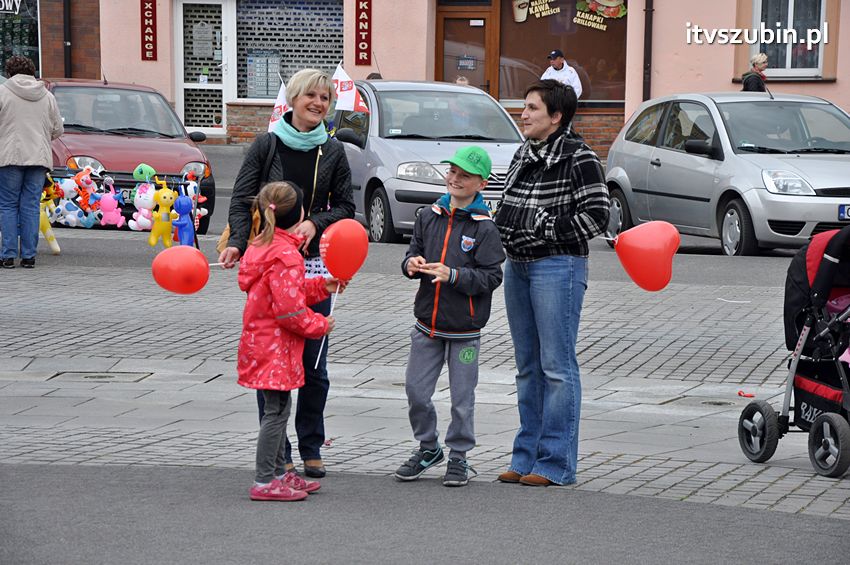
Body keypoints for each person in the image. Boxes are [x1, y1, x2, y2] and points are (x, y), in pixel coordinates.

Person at [219, 68, 356, 479]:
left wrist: (316, 222)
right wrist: (237, 244)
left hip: (313, 264)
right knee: (272, 361)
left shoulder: (332, 151)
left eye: (325, 98)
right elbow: (244, 199)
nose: (318, 103)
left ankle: (311, 443)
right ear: (293, 99)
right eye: (310, 96)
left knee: (314, 364)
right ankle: (279, 452)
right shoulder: (266, 144)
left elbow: (348, 206)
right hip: (269, 264)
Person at [493, 80, 609, 487]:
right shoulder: (523, 152)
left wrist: (541, 225)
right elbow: (509, 205)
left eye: (531, 108)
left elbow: (597, 216)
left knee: (556, 368)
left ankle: (556, 463)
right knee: (527, 368)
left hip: (557, 267)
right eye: (524, 107)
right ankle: (525, 458)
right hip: (517, 266)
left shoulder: (580, 157)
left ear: (556, 117)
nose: (522, 114)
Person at [394, 146, 505, 487]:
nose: (455, 179)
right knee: (416, 391)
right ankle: (428, 448)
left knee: (462, 398)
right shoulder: (428, 215)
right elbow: (413, 252)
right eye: (453, 172)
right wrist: (410, 265)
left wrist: (454, 275)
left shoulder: (485, 228)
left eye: (465, 175)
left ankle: (458, 456)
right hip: (426, 324)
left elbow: (492, 276)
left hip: (465, 330)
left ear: (481, 183)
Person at [237, 181, 341, 501]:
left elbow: (285, 292)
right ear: (299, 214)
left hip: (261, 342)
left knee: (276, 409)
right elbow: (290, 311)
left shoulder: (262, 246)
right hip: (274, 346)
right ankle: (265, 479)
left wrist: (322, 286)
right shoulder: (286, 255)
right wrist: (320, 324)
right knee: (277, 412)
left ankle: (280, 474)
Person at [0, 56, 63, 269]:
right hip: (38, 157)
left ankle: (8, 256)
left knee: (8, 205)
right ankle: (29, 256)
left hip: (9, 156)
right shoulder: (46, 96)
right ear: (32, 72)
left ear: (9, 72)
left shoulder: (3, 92)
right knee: (31, 206)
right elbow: (57, 129)